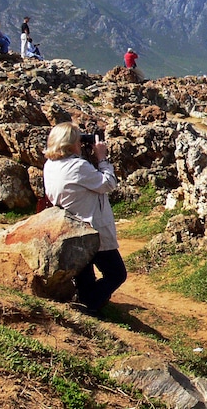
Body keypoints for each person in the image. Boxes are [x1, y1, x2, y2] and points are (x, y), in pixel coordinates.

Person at [43, 123, 125, 317]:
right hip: (93, 229)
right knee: (116, 274)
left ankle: (88, 303)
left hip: (71, 228)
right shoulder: (78, 166)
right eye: (79, 140)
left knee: (85, 275)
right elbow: (109, 183)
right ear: (71, 144)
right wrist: (102, 158)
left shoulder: (50, 165)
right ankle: (88, 306)